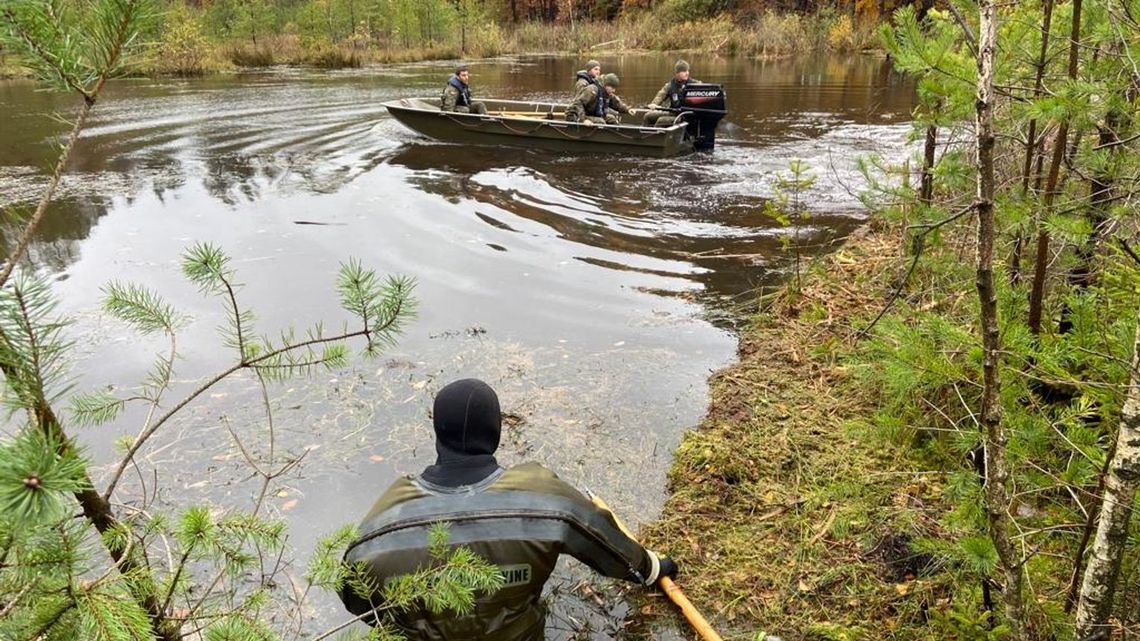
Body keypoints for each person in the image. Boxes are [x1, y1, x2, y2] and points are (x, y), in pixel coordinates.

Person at [339, 378, 679, 641]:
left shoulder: (379, 527)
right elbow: (606, 546)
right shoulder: (544, 499)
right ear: (495, 432)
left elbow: (358, 601)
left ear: (437, 433)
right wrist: (652, 568)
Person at [642, 59, 701, 127]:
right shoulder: (670, 85)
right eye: (684, 71)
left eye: (688, 70)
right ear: (677, 73)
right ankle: (645, 135)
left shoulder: (695, 84)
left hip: (685, 115)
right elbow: (660, 95)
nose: (687, 73)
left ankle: (656, 137)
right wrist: (654, 104)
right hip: (673, 113)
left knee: (661, 121)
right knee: (648, 116)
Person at [565, 73, 634, 125]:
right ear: (606, 85)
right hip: (575, 115)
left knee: (612, 118)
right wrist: (583, 120)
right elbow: (578, 103)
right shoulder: (592, 90)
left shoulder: (606, 93)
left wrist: (627, 109)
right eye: (612, 88)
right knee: (601, 122)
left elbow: (616, 103)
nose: (614, 91)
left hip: (590, 114)